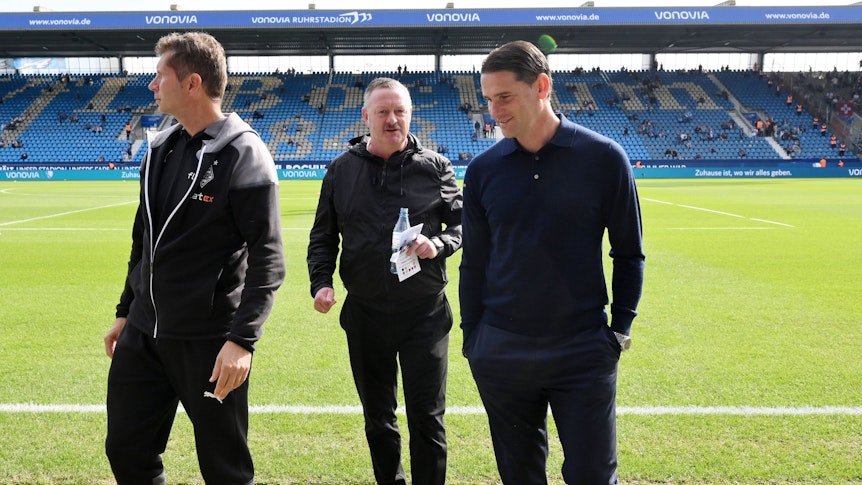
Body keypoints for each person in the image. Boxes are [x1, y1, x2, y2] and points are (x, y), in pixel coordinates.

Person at [459, 40, 645, 485]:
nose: (495, 111)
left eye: (505, 97)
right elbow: (475, 261)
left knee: (592, 475)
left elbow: (628, 251)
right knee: (520, 475)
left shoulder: (603, 158)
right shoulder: (483, 170)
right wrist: (473, 340)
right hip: (502, 349)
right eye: (488, 100)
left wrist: (618, 331)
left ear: (542, 86)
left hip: (581, 347)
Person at [103, 32, 285, 485]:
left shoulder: (244, 152)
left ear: (192, 83)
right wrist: (127, 311)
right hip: (144, 333)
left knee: (225, 468)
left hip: (208, 339)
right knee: (126, 449)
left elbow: (268, 257)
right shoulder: (160, 147)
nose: (151, 85)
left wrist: (242, 340)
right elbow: (143, 238)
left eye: (159, 75)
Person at [307, 77, 462, 485]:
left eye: (400, 111)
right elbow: (323, 236)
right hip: (366, 315)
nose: (392, 120)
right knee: (378, 419)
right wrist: (321, 282)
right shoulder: (340, 170)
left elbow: (467, 225)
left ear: (410, 115)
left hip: (424, 314)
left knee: (427, 419)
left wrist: (440, 242)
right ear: (366, 116)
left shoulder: (436, 167)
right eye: (383, 112)